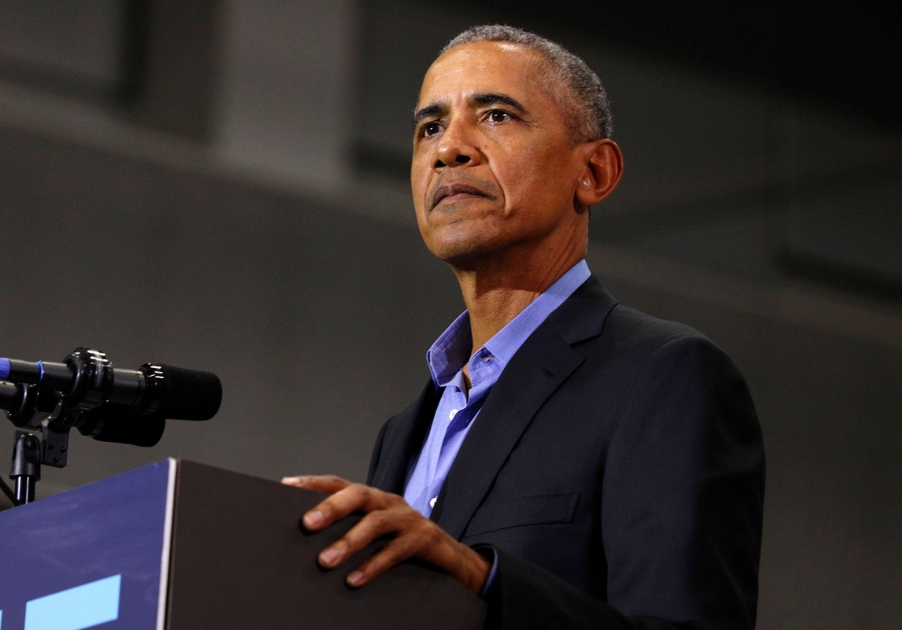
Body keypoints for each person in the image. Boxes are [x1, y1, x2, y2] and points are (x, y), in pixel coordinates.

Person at [281, 25, 764, 629]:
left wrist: (484, 579)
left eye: (497, 116)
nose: (448, 149)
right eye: (429, 127)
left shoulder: (663, 377)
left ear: (593, 173)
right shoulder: (406, 430)